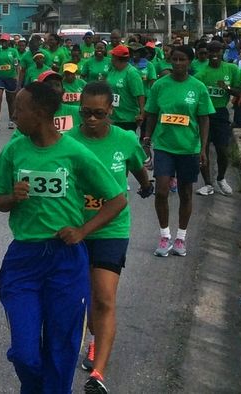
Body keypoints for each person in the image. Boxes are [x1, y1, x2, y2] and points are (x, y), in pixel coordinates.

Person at [0, 81, 126, 393]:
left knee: (60, 349)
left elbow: (117, 199)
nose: (14, 113)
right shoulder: (14, 149)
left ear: (40, 114)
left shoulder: (74, 152)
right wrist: (13, 198)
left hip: (65, 259)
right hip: (24, 259)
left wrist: (83, 231)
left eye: (19, 109)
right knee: (25, 354)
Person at [68, 82, 154, 394]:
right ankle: (88, 338)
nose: (91, 119)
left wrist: (146, 186)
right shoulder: (68, 141)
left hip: (111, 228)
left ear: (110, 111)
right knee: (81, 295)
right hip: (74, 228)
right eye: (86, 112)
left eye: (98, 113)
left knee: (103, 296)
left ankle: (98, 374)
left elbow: (137, 168)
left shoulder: (125, 139)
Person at [144, 45, 215, 257]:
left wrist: (202, 149)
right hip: (165, 146)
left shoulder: (198, 87)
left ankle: (181, 238)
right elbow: (151, 114)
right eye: (174, 59)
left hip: (188, 148)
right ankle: (164, 235)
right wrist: (147, 139)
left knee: (185, 192)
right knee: (162, 190)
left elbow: (204, 119)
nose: (177, 63)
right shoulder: (160, 85)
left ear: (189, 62)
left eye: (182, 59)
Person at [194, 41, 241, 196]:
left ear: (223, 52)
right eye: (211, 51)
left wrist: (227, 88)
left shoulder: (231, 69)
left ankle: (221, 178)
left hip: (221, 113)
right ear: (207, 53)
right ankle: (208, 184)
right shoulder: (201, 73)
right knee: (204, 150)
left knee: (223, 150)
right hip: (204, 115)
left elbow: (239, 92)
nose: (214, 55)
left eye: (218, 51)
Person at [106, 45, 146, 133]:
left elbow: (140, 95)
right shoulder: (112, 70)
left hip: (127, 119)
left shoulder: (132, 73)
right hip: (113, 117)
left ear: (117, 58)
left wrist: (142, 114)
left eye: (113, 56)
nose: (111, 58)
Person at [0, 33, 23, 131]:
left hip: (10, 77)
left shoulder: (13, 51)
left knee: (11, 100)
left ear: (9, 41)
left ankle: (11, 120)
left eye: (5, 41)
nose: (4, 43)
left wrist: (17, 77)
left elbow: (17, 64)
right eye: (2, 41)